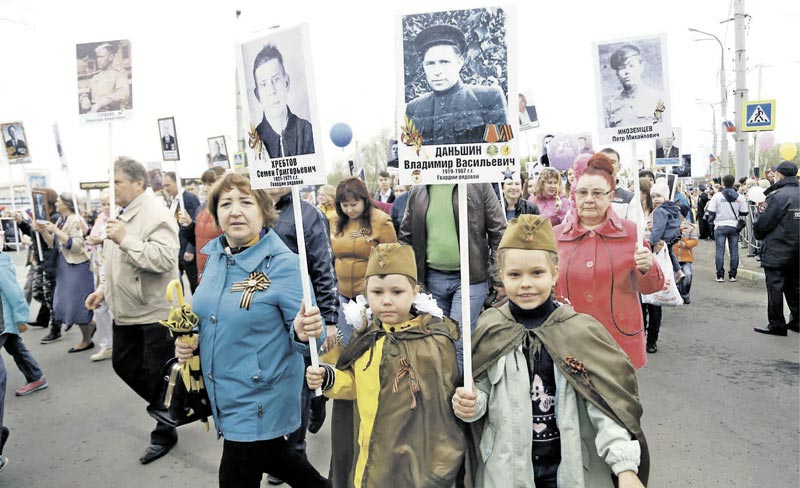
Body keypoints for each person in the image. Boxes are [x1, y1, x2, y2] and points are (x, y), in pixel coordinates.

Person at [452, 215, 648, 488]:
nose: (526, 284)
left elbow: (605, 406)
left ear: (555, 272)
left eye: (537, 273)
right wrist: (470, 405)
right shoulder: (491, 326)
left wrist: (624, 467)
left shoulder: (579, 332)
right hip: (506, 470)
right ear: (501, 277)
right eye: (514, 275)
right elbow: (481, 392)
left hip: (569, 468)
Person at [174, 172, 328, 488]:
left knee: (238, 472)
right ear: (215, 213)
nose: (235, 210)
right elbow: (209, 316)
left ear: (263, 209)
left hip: (259, 395)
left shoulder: (284, 264)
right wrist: (189, 341)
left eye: (246, 201)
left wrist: (302, 331)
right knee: (279, 460)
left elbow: (315, 336)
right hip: (223, 391)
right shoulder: (215, 258)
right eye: (226, 203)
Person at [306, 243, 464, 488]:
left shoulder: (433, 341)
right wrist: (329, 379)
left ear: (414, 292)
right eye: (377, 292)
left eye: (396, 292)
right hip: (369, 452)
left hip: (412, 459)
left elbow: (440, 409)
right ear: (366, 294)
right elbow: (355, 384)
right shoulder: (367, 337)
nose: (386, 301)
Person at [84, 157, 180, 465]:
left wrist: (126, 239)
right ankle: (172, 406)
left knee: (156, 373)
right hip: (125, 311)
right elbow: (112, 260)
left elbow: (164, 259)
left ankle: (165, 429)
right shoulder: (120, 214)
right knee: (124, 365)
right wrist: (102, 290)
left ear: (139, 182)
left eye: (117, 183)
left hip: (153, 312)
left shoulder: (155, 213)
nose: (113, 189)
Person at [553, 153, 664, 369]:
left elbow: (651, 286)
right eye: (582, 192)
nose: (589, 199)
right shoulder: (556, 236)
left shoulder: (631, 233)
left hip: (618, 342)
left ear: (610, 195)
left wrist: (648, 266)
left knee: (616, 403)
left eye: (597, 193)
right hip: (568, 342)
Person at [263, 185, 339, 484]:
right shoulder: (257, 212)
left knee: (299, 385)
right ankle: (315, 402)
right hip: (266, 318)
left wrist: (330, 318)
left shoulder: (307, 214)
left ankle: (294, 449)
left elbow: (323, 266)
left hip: (302, 315)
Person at [399, 183, 506, 367]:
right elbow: (406, 237)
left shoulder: (478, 185)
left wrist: (499, 277)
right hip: (430, 280)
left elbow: (498, 231)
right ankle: (444, 391)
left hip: (470, 279)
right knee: (436, 343)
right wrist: (406, 279)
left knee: (459, 343)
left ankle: (458, 393)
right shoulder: (419, 190)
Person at [405, 24, 507, 145]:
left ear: (459, 63)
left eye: (444, 62)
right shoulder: (413, 109)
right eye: (430, 64)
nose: (437, 71)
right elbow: (411, 158)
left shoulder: (489, 97)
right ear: (423, 66)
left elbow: (503, 152)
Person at [331, 177, 397, 346]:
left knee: (372, 344)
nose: (349, 210)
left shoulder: (381, 221)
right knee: (348, 344)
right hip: (343, 293)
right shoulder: (334, 220)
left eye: (354, 204)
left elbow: (393, 258)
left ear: (364, 200)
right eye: (344, 206)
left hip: (371, 295)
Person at [37, 194, 96, 353]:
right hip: (64, 265)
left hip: (78, 266)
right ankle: (90, 326)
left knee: (77, 304)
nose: (55, 203)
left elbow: (77, 246)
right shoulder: (61, 220)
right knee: (64, 302)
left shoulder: (75, 220)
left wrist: (56, 230)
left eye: (58, 201)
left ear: (66, 204)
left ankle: (86, 339)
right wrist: (44, 232)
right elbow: (54, 244)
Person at [753, 161, 799, 336]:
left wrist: (759, 234)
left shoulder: (776, 196)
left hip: (777, 249)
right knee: (796, 286)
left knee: (775, 288)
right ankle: (797, 321)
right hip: (797, 250)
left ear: (779, 175)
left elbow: (762, 224)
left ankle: (777, 324)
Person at [0, 236, 48, 397]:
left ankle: (36, 377)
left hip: (4, 319)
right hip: (5, 320)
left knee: (15, 347)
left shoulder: (1, 263)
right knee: (16, 347)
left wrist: (21, 318)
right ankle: (36, 377)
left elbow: (14, 293)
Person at [253, 44, 315, 158]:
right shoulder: (254, 142)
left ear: (286, 82)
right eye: (264, 84)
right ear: (258, 95)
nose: (272, 91)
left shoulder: (307, 131)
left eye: (276, 80)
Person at [178, 166, 225, 280]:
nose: (205, 188)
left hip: (222, 270)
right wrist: (189, 226)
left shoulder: (228, 208)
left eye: (210, 184)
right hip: (203, 269)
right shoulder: (201, 208)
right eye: (204, 184)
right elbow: (198, 240)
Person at [604, 43, 665, 128]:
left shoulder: (659, 99)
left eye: (631, 66)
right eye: (622, 68)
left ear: (641, 67)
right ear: (617, 74)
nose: (627, 71)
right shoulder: (610, 106)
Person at [85, 190, 114, 361]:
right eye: (102, 204)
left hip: (115, 269)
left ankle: (114, 344)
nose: (106, 207)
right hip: (101, 268)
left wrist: (101, 240)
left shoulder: (119, 218)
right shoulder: (99, 220)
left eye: (108, 203)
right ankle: (107, 345)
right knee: (101, 307)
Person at [705, 174, 748, 282]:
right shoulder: (739, 197)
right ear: (733, 183)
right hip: (734, 226)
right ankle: (732, 275)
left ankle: (720, 276)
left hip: (720, 226)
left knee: (720, 251)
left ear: (723, 183)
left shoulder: (717, 196)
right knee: (734, 251)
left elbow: (711, 211)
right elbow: (745, 212)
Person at [163, 172, 201, 294]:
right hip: (176, 248)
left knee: (194, 284)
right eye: (164, 185)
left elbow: (195, 224)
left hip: (187, 247)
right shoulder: (173, 201)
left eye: (168, 185)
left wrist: (191, 248)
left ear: (176, 183)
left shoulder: (189, 199)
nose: (165, 188)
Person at [649, 179, 684, 284]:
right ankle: (678, 271)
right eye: (653, 197)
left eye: (658, 196)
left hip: (662, 239)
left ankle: (673, 274)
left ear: (665, 196)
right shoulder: (673, 208)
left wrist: (651, 242)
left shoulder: (659, 211)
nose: (655, 199)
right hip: (672, 237)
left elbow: (658, 229)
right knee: (670, 254)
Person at [79, 43, 130, 113]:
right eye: (97, 57)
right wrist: (84, 98)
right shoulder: (96, 76)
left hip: (111, 113)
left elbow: (123, 94)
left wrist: (99, 104)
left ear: (111, 57)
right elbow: (87, 91)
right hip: (93, 112)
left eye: (101, 57)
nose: (98, 60)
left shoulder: (119, 74)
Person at [600, 148, 636, 220]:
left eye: (612, 162)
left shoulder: (630, 197)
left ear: (619, 167)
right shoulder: (586, 195)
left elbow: (635, 228)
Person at [674, 206, 698, 305]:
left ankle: (685, 295)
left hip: (685, 257)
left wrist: (686, 244)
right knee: (674, 277)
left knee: (688, 275)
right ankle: (676, 294)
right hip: (673, 257)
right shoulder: (670, 226)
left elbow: (695, 241)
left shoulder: (690, 227)